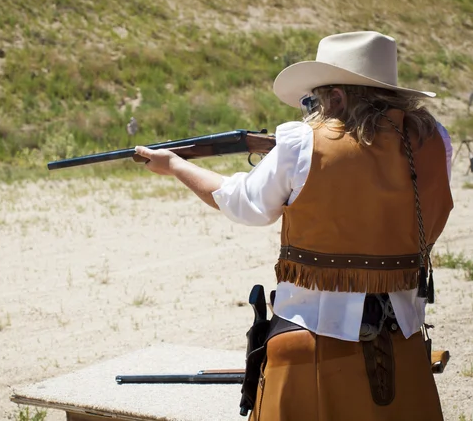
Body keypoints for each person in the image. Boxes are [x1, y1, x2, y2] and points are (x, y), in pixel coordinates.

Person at [135, 31, 454, 421]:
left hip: (312, 346)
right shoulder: (436, 140)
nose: (313, 109)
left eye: (315, 99)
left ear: (336, 95)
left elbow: (244, 204)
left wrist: (174, 166)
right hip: (403, 341)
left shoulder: (302, 142)